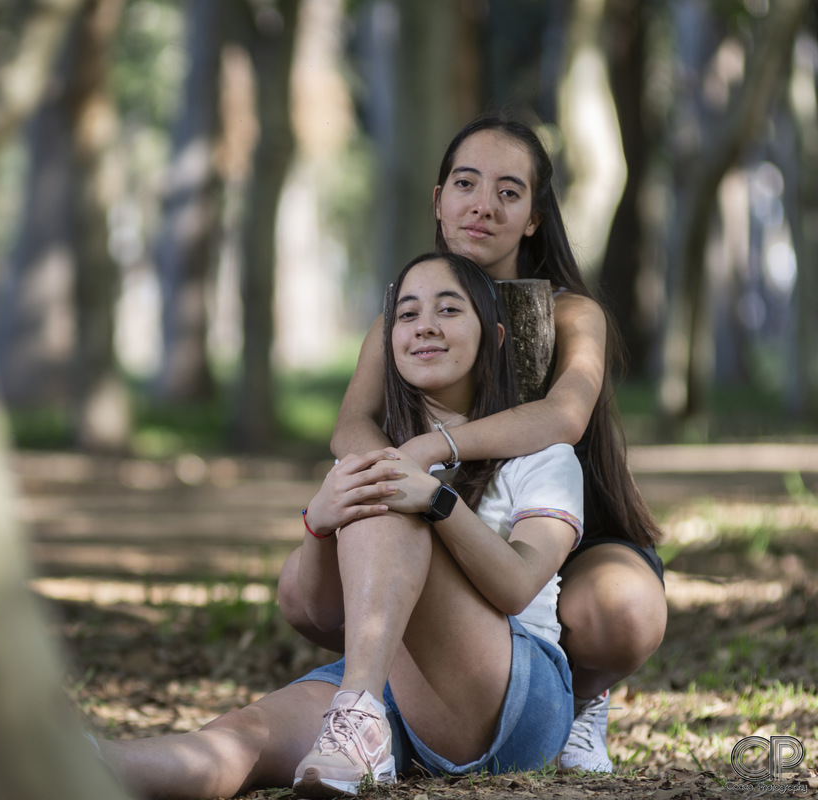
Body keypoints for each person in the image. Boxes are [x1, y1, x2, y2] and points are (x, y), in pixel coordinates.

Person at [98, 252, 584, 799]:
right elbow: (320, 611)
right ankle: (70, 764)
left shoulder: (542, 455)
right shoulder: (369, 452)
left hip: (513, 700)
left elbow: (519, 586)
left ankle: (357, 718)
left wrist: (436, 502)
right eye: (407, 314)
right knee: (241, 735)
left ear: (493, 337)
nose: (425, 325)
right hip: (390, 685)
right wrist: (318, 525)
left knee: (385, 499)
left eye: (449, 310)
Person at [277, 113, 667, 773]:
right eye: (466, 184)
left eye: (508, 192)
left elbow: (564, 416)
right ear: (438, 200)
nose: (483, 205)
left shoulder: (573, 313)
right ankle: (395, 703)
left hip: (563, 533)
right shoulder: (405, 315)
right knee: (321, 578)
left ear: (534, 217)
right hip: (441, 527)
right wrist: (387, 473)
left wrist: (433, 449)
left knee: (620, 610)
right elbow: (351, 424)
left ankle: (578, 700)